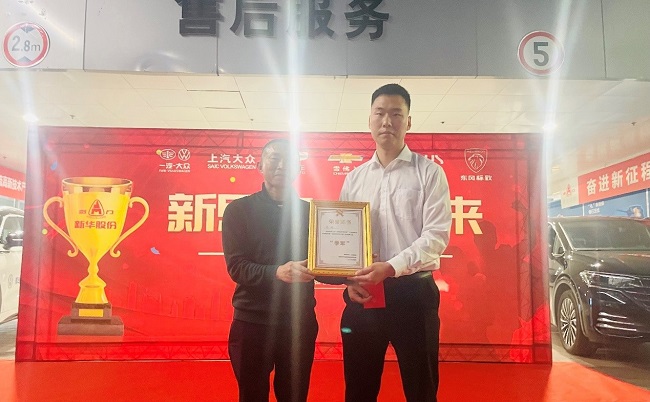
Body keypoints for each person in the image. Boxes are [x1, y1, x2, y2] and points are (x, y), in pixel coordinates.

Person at [339, 83, 452, 402]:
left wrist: (390, 267)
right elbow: (344, 237)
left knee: (421, 389)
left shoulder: (429, 173)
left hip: (414, 295)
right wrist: (348, 280)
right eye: (380, 113)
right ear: (369, 120)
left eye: (396, 114)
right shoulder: (354, 179)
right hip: (364, 294)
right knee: (358, 390)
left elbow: (436, 236)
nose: (387, 121)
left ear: (408, 121)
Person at [222, 138, 318, 402]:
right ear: (260, 166)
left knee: (295, 395)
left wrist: (352, 272)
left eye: (289, 160)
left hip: (298, 323)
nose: (282, 165)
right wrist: (276, 272)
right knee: (252, 395)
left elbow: (321, 266)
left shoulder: (312, 213)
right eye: (275, 158)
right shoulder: (238, 211)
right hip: (252, 321)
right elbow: (237, 267)